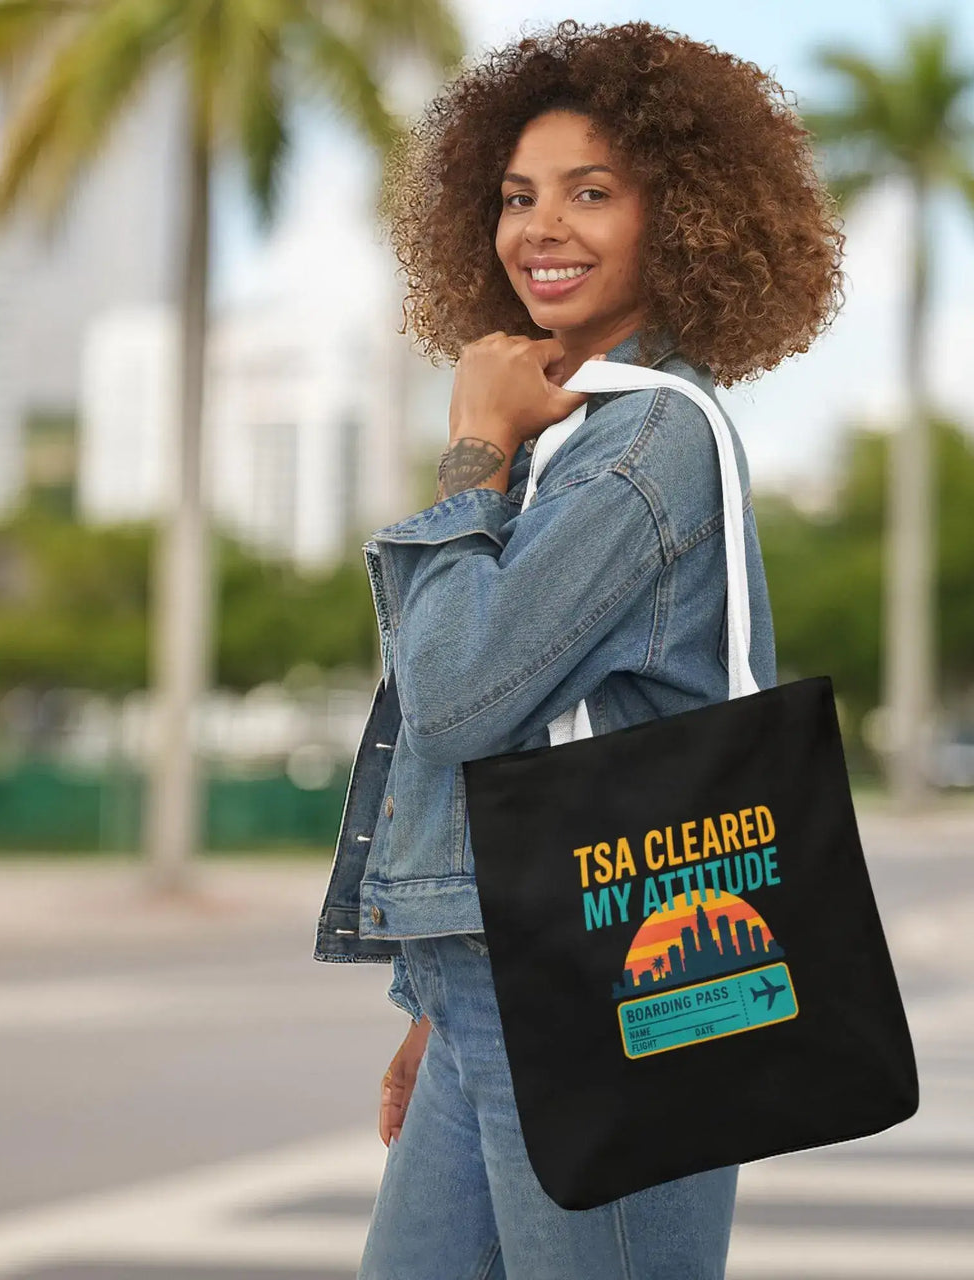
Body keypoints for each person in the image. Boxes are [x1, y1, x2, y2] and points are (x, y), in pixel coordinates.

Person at [313, 18, 844, 1279]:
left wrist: (470, 453)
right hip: (495, 976)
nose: (538, 229)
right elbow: (508, 740)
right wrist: (435, 1004)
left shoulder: (644, 443)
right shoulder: (575, 438)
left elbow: (456, 695)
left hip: (615, 982)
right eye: (514, 198)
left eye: (590, 193)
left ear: (684, 218)